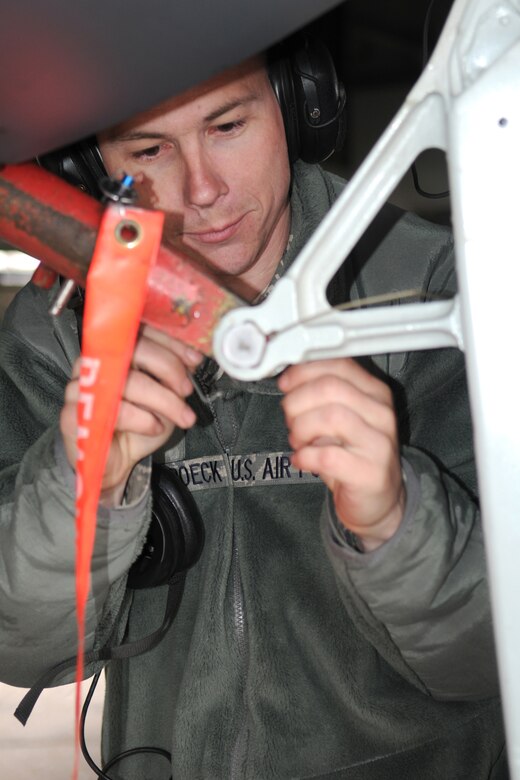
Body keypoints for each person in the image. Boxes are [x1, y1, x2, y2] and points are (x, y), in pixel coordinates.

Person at [0, 37, 508, 779]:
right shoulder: (58, 331)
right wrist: (83, 490)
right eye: (148, 148)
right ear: (89, 168)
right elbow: (23, 648)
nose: (201, 189)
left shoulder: (443, 300)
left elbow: (489, 659)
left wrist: (398, 521)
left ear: (296, 106)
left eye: (228, 126)